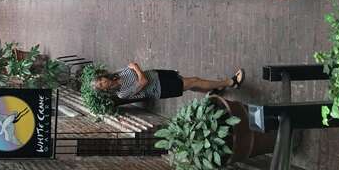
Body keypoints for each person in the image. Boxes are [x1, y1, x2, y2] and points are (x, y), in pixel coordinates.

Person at [92, 63, 244, 102]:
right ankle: (230, 82)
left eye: (100, 80)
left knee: (190, 86)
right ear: (104, 89)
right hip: (160, 88)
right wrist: (139, 72)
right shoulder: (121, 94)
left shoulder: (116, 74)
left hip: (158, 74)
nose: (102, 82)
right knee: (194, 81)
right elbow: (143, 82)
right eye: (100, 85)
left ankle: (215, 90)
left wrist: (137, 71)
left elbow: (131, 64)